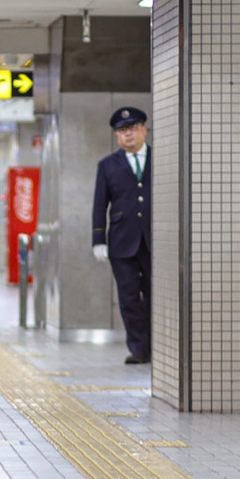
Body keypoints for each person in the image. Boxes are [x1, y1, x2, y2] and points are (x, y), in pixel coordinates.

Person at [92, 106, 151, 364]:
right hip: (121, 242)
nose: (128, 135)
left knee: (155, 295)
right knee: (129, 298)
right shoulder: (107, 165)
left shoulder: (161, 160)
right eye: (122, 131)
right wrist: (98, 240)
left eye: (133, 128)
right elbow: (99, 203)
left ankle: (159, 346)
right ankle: (138, 348)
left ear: (144, 130)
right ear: (117, 136)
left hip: (155, 241)